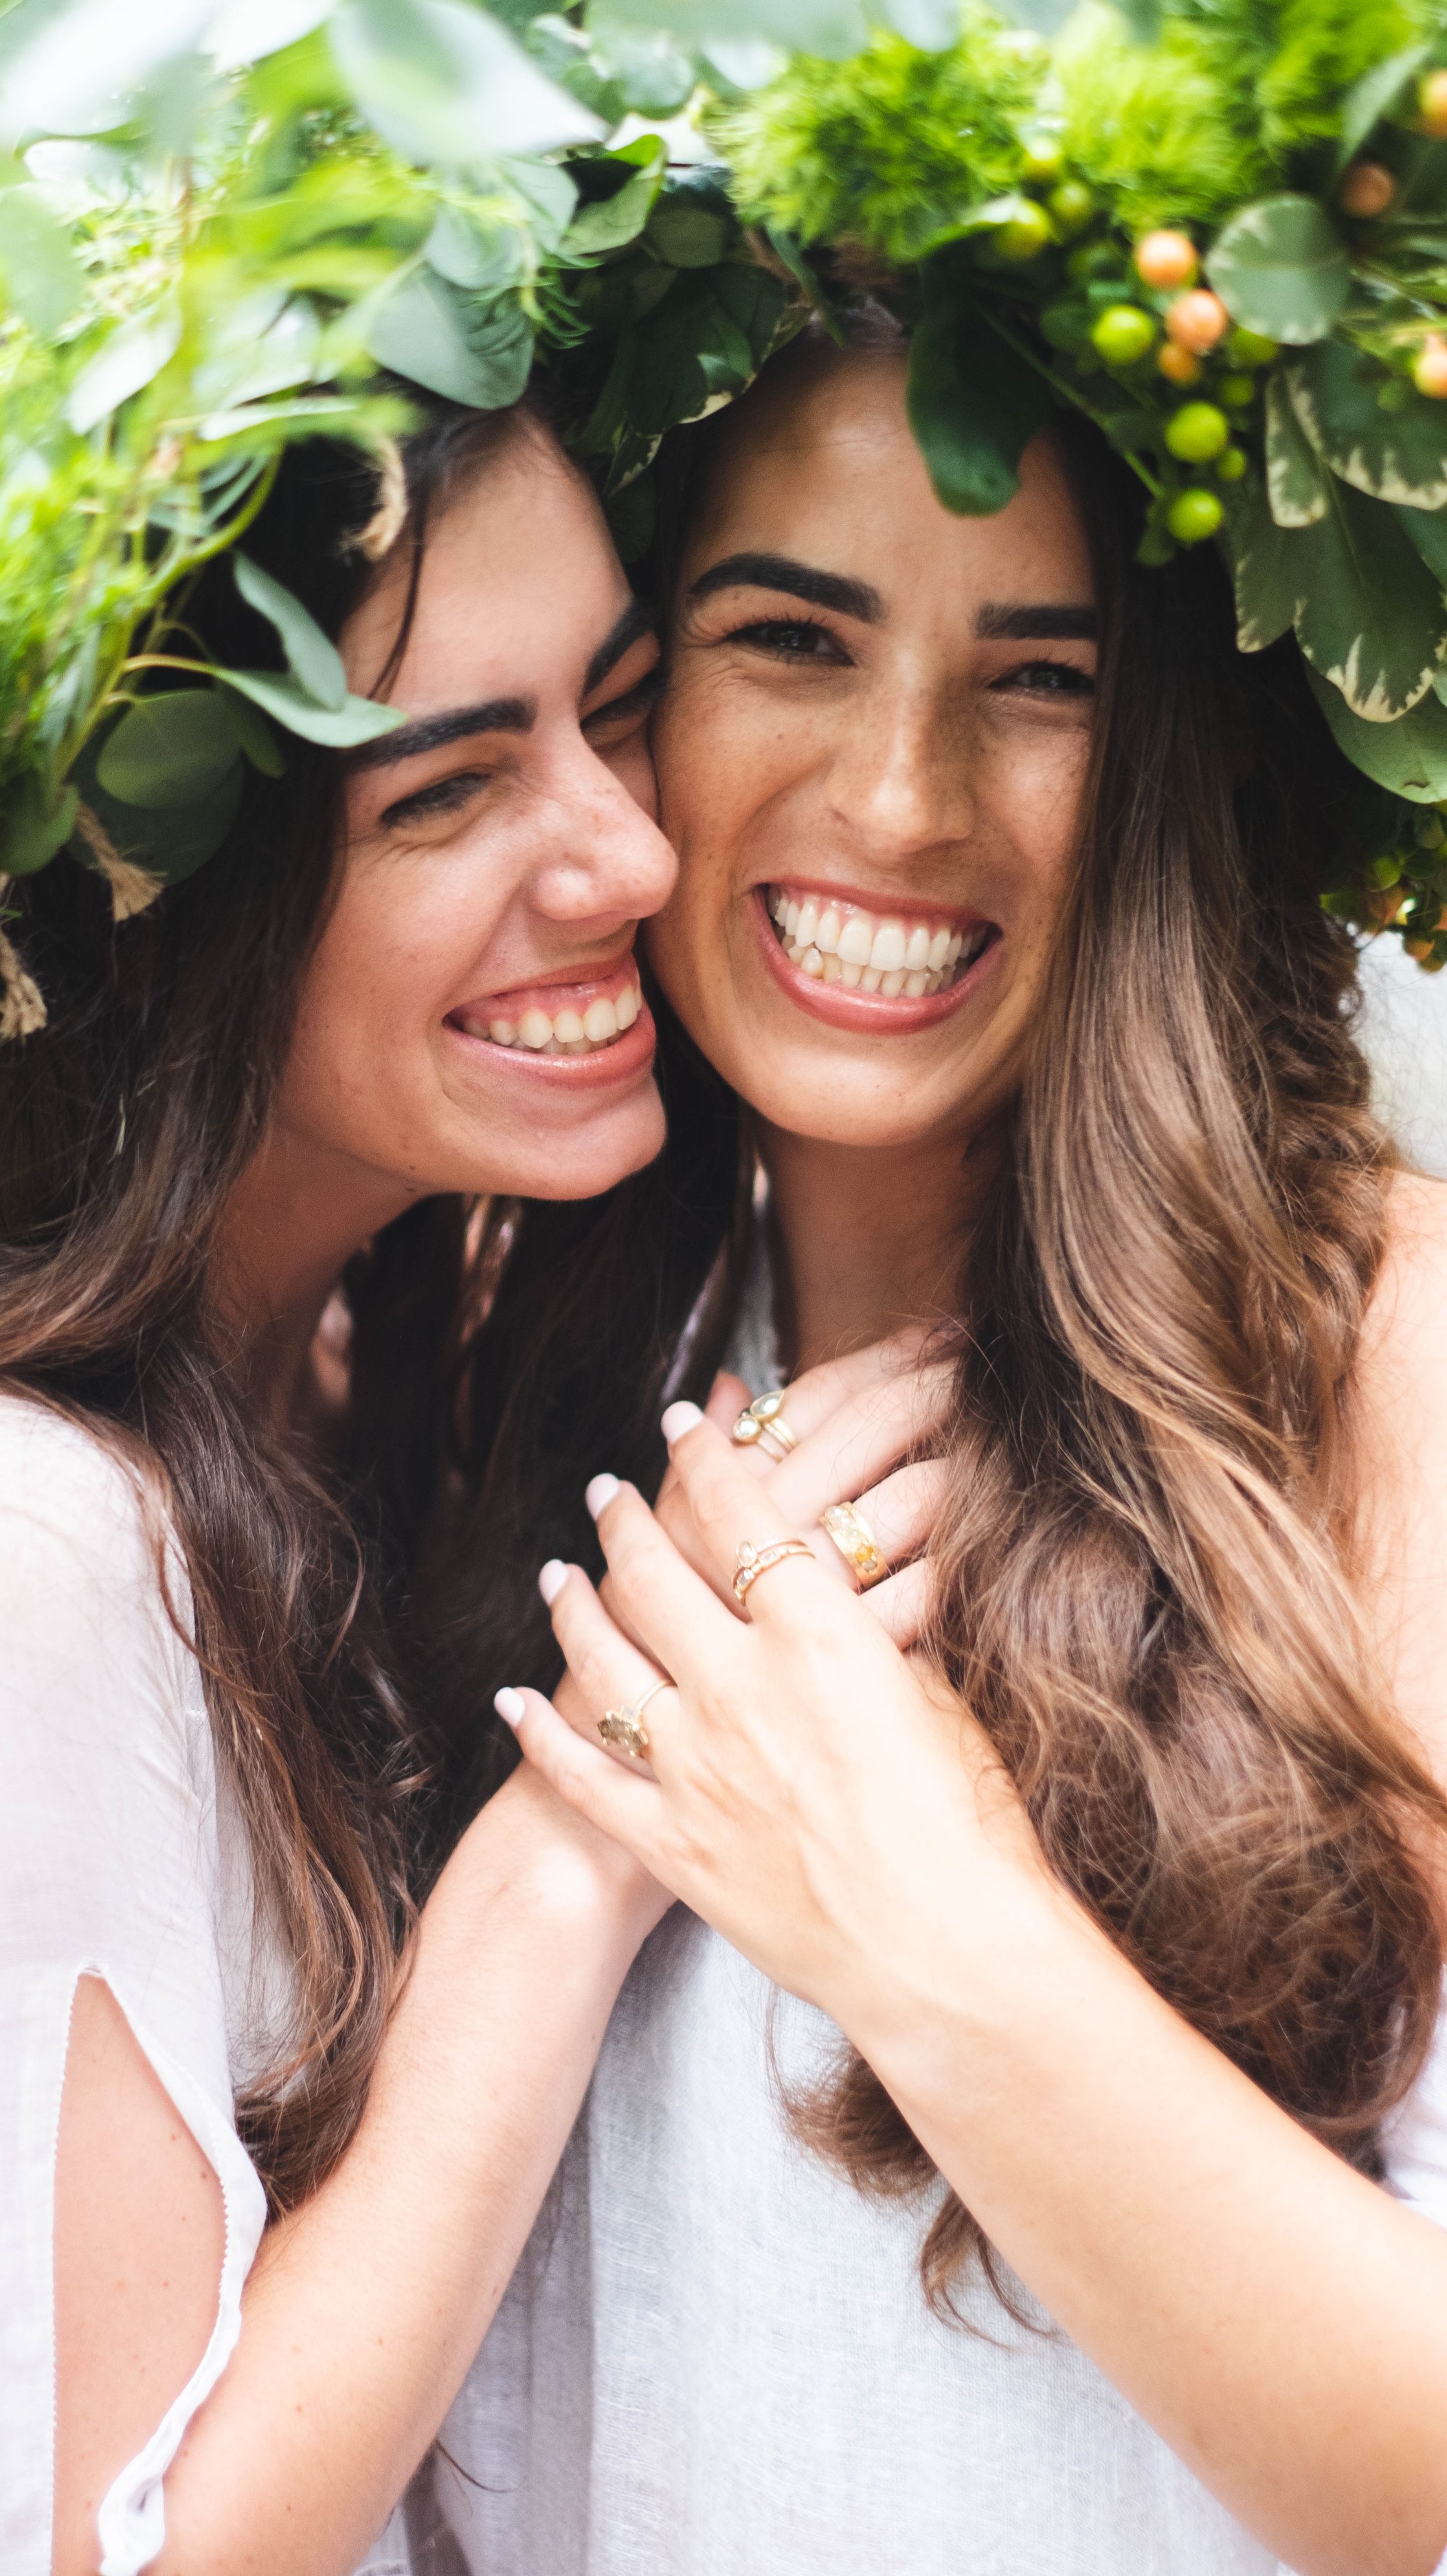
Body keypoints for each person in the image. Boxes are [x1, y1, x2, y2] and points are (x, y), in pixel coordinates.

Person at [414, 324, 1447, 2576]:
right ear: (626, 695)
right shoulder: (477, 1353)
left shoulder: (1391, 1365)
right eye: (790, 635)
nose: (899, 797)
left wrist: (911, 1908)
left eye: (1041, 679)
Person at [0, 398, 680, 2576]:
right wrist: (575, 1838)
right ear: (150, 920)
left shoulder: (347, 1403)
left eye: (614, 712)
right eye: (449, 787)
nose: (622, 853)